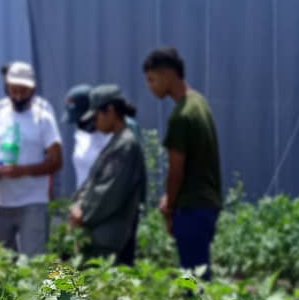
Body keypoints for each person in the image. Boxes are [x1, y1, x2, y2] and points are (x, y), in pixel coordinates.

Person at [142, 46, 222, 277]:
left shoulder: (181, 116)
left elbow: (176, 170)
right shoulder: (199, 103)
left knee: (194, 281)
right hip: (206, 204)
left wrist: (169, 206)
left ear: (167, 74)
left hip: (192, 206)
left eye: (152, 79)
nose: (150, 86)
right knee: (201, 274)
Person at [0, 61, 62, 257]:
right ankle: (2, 290)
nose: (17, 96)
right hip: (1, 200)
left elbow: (57, 161)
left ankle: (63, 288)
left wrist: (22, 170)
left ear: (32, 89)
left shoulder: (43, 117)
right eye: (13, 90)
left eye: (23, 91)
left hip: (32, 201)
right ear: (7, 87)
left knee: (34, 260)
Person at [69, 85, 146, 265]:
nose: (94, 123)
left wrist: (82, 213)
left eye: (96, 116)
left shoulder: (125, 145)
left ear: (110, 111)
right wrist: (78, 204)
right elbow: (93, 181)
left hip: (108, 239)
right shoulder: (117, 141)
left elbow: (108, 191)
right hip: (100, 235)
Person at [64, 84, 111, 189]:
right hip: (83, 201)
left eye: (83, 121)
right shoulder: (80, 134)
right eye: (77, 122)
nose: (80, 125)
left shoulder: (112, 136)